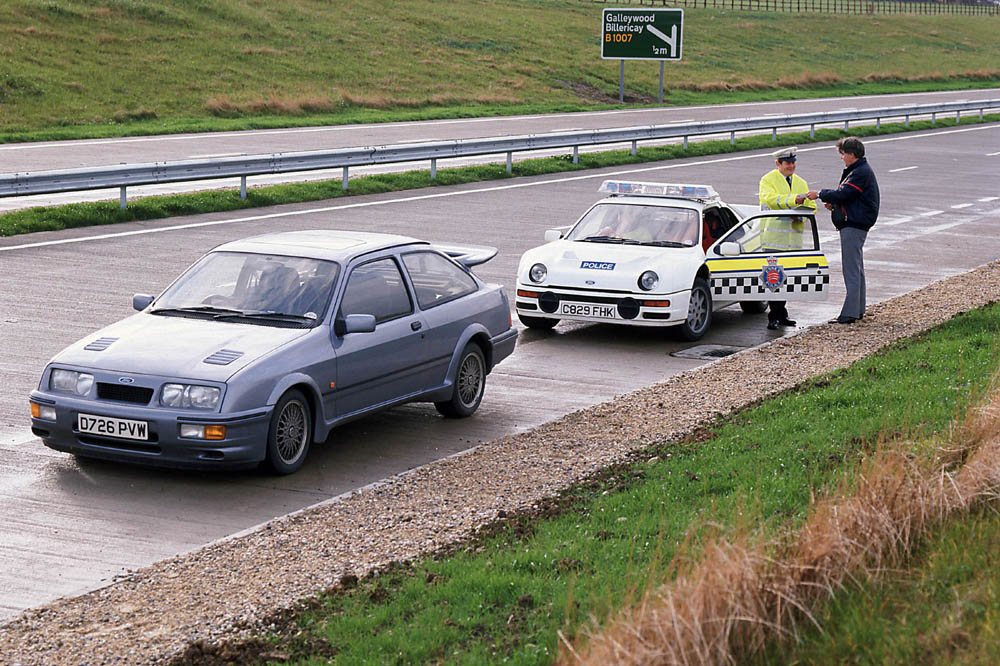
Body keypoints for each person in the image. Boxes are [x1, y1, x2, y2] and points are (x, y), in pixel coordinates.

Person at [806, 136, 879, 324]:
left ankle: (850, 313)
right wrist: (836, 205)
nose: (842, 157)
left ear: (852, 154)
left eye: (843, 153)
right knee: (857, 268)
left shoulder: (860, 172)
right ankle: (858, 308)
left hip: (854, 225)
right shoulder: (857, 170)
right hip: (855, 223)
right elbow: (850, 197)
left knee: (851, 269)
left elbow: (844, 193)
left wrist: (820, 194)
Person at [758, 146, 816, 330]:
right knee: (774, 280)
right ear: (778, 164)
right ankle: (774, 316)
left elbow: (812, 206)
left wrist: (802, 214)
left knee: (786, 280)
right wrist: (794, 201)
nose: (791, 166)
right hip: (773, 240)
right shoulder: (768, 180)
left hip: (793, 242)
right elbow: (770, 199)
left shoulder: (801, 182)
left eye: (793, 162)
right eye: (787, 163)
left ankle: (781, 314)